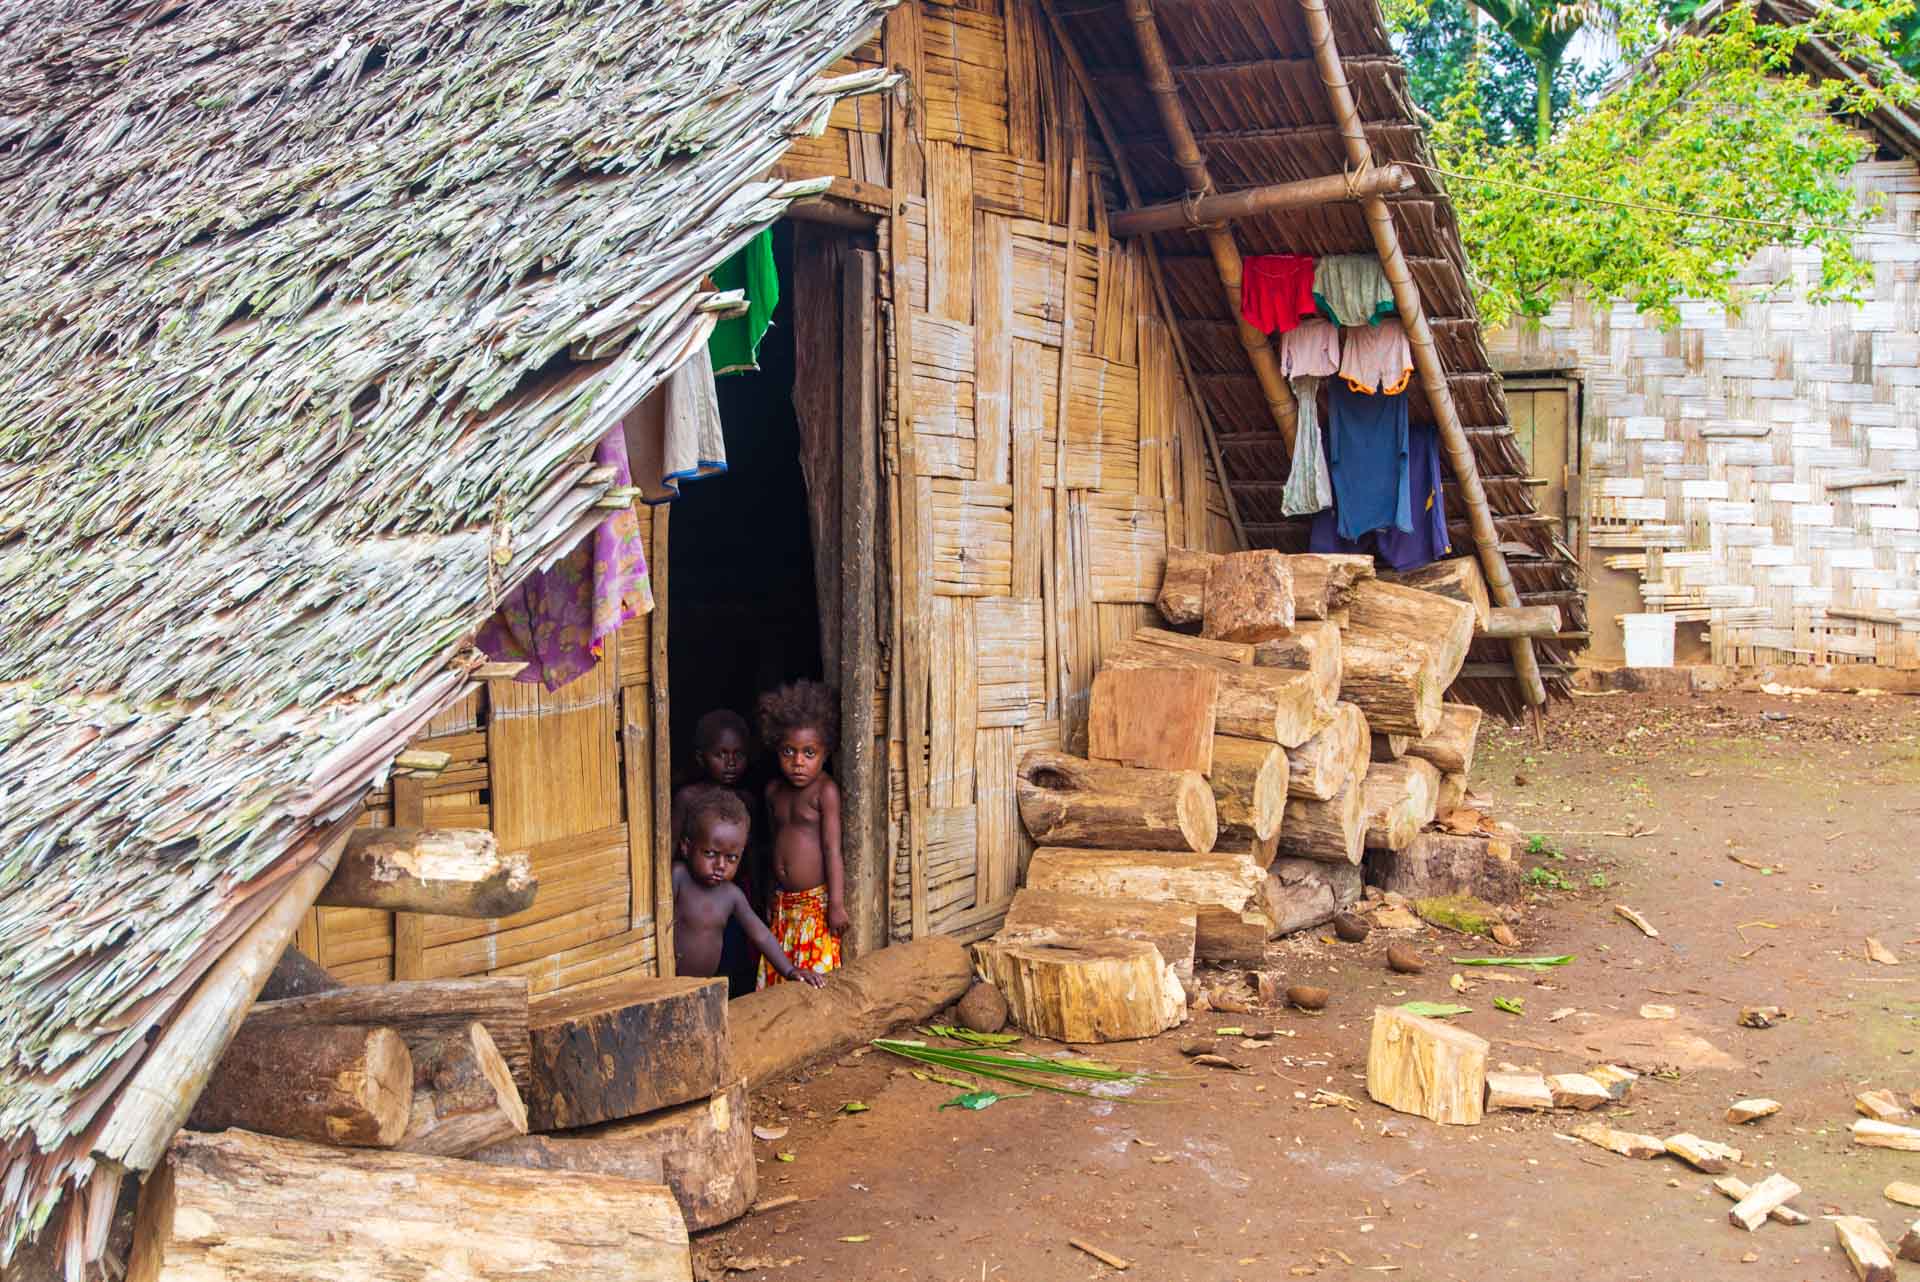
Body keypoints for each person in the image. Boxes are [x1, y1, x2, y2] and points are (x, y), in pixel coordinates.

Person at [672, 784, 823, 988]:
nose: (720, 865)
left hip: (703, 987)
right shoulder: (678, 876)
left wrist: (790, 969)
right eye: (710, 853)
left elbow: (760, 935)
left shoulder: (731, 896)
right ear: (686, 847)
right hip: (666, 983)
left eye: (731, 858)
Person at [756, 679, 846, 988]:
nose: (798, 762)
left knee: (815, 982)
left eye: (809, 753)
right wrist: (770, 892)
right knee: (781, 979)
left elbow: (832, 849)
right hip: (783, 906)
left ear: (826, 752)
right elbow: (772, 845)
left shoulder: (825, 791)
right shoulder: (773, 791)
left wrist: (836, 904)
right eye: (788, 752)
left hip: (814, 907)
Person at [671, 709, 764, 996]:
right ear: (701, 758)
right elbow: (669, 849)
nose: (731, 763)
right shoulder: (687, 798)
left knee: (732, 962)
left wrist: (759, 895)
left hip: (729, 895)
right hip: (692, 897)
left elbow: (753, 855)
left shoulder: (746, 801)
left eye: (739, 755)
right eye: (721, 754)